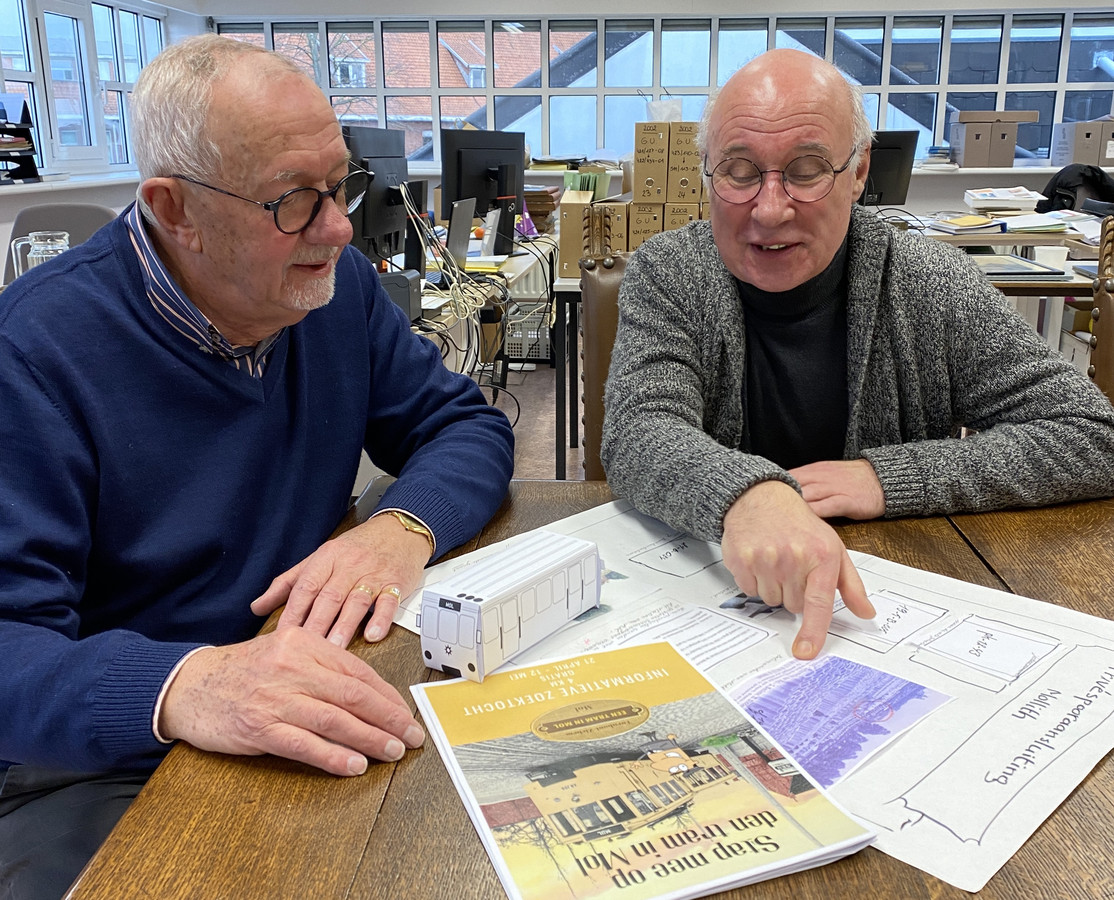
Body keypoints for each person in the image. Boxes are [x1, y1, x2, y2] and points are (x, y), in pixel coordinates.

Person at [0, 34, 514, 898]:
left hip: (310, 684)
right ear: (174, 209)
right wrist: (186, 682)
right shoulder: (34, 354)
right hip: (107, 754)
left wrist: (401, 526)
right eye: (294, 201)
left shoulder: (335, 288)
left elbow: (465, 426)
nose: (342, 227)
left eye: (341, 183)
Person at [602, 49, 1114, 662]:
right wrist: (744, 495)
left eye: (807, 168)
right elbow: (636, 430)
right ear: (708, 172)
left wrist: (887, 479)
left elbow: (1093, 436)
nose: (769, 209)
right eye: (740, 171)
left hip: (884, 620)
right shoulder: (671, 272)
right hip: (715, 613)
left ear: (859, 170)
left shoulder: (926, 281)